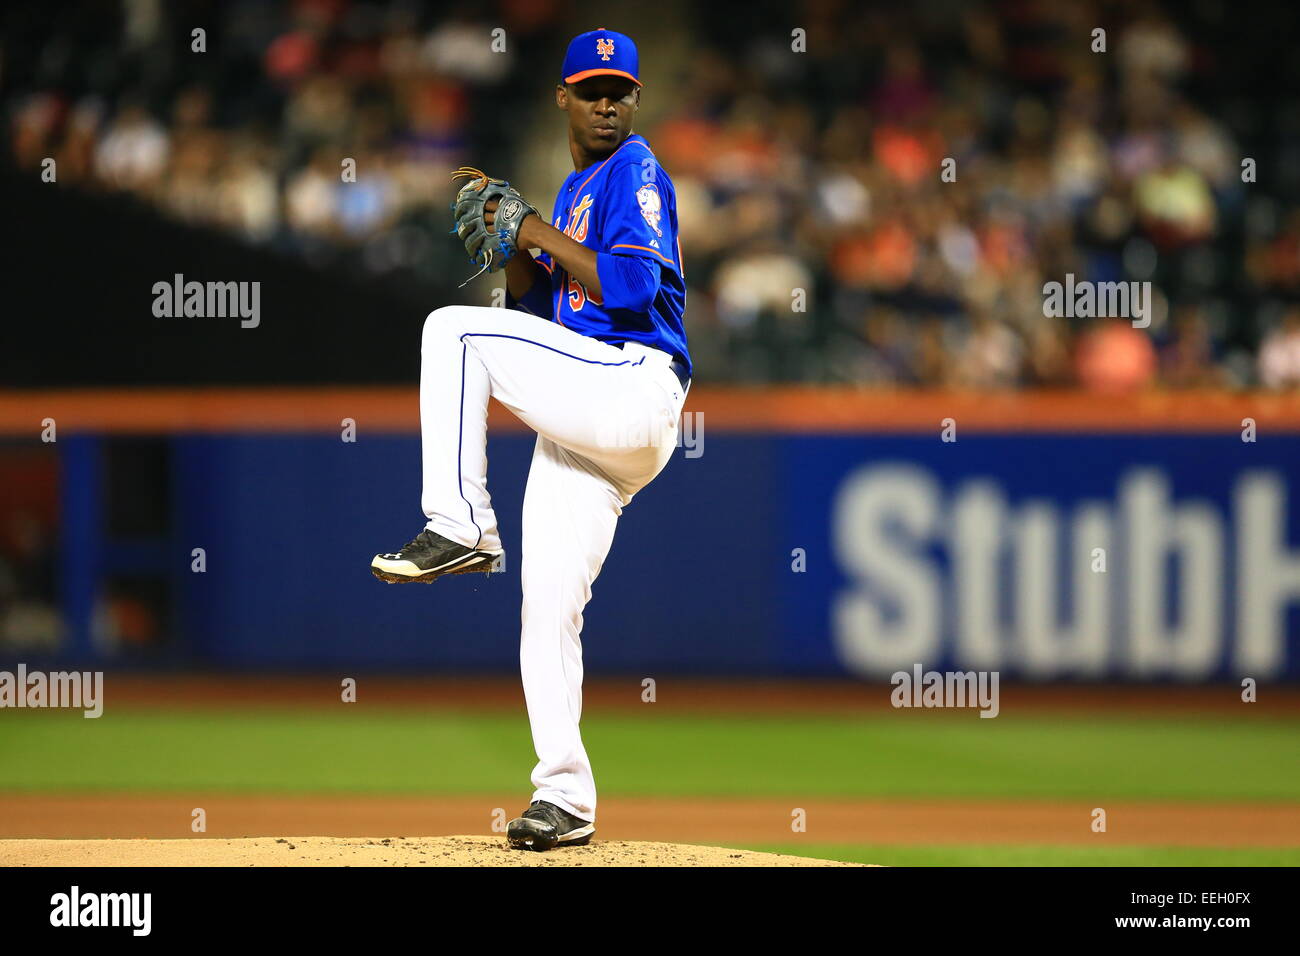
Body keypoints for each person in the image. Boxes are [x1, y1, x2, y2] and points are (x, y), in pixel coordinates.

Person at [370, 28, 690, 851]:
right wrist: (518, 250)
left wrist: (538, 230)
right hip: (591, 408)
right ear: (564, 98)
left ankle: (461, 525)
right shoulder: (579, 191)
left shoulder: (635, 171)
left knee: (451, 332)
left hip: (634, 383)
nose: (607, 102)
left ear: (637, 100)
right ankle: (566, 798)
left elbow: (628, 285)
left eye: (620, 89)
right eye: (592, 89)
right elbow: (540, 326)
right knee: (547, 608)